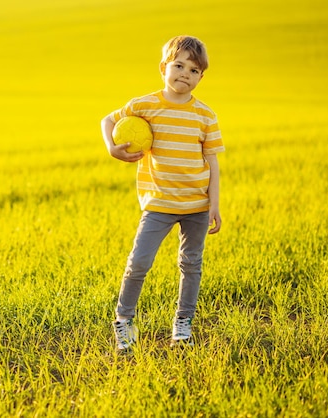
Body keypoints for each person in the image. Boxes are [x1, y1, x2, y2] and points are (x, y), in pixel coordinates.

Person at [100, 35, 225, 351]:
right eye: (179, 66)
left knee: (191, 264)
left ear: (201, 77)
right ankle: (123, 321)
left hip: (196, 205)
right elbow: (108, 120)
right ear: (163, 68)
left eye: (193, 70)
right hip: (159, 203)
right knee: (139, 261)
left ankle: (183, 324)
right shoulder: (146, 105)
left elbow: (212, 161)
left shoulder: (205, 116)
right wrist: (112, 148)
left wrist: (214, 204)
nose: (185, 74)